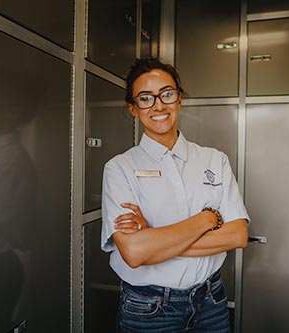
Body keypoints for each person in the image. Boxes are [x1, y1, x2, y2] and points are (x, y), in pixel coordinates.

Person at [101, 58, 250, 333]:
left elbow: (237, 236)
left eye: (166, 94)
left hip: (211, 302)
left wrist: (154, 239)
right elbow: (134, 253)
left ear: (179, 99)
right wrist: (208, 219)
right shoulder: (119, 168)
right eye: (145, 98)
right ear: (133, 109)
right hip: (149, 308)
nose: (158, 105)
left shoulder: (214, 160)